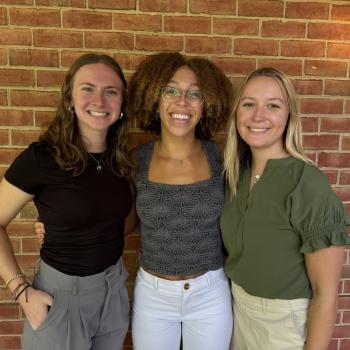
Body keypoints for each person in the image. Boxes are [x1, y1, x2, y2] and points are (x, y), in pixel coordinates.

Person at [0, 53, 137, 350]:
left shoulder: (121, 158)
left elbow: (120, 221)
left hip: (112, 290)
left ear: (121, 105)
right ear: (69, 100)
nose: (99, 101)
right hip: (61, 299)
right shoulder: (41, 158)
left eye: (110, 91)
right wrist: (21, 291)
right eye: (87, 88)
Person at [220, 67, 350, 350]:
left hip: (282, 325)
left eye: (273, 106)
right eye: (249, 104)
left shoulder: (306, 182)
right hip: (235, 311)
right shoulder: (234, 175)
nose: (258, 116)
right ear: (237, 113)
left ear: (289, 115)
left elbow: (325, 294)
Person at [127, 52, 234, 350]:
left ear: (206, 103)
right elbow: (121, 223)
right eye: (171, 90)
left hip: (210, 292)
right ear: (154, 98)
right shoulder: (137, 160)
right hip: (154, 294)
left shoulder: (221, 157)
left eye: (195, 93)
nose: (182, 101)